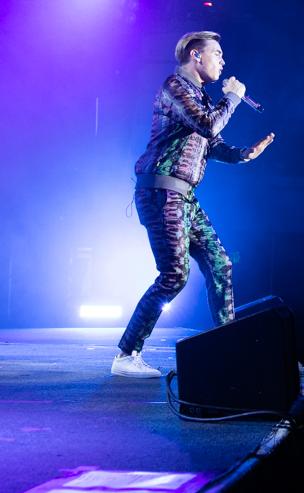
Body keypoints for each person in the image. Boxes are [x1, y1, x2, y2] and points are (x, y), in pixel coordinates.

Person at [113, 31, 274, 378]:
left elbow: (212, 143)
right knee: (174, 275)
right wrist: (231, 98)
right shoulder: (175, 87)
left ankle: (227, 348)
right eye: (217, 53)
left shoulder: (199, 97)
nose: (223, 61)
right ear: (195, 55)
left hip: (183, 195)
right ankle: (126, 354)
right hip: (161, 191)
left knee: (221, 264)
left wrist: (245, 154)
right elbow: (206, 124)